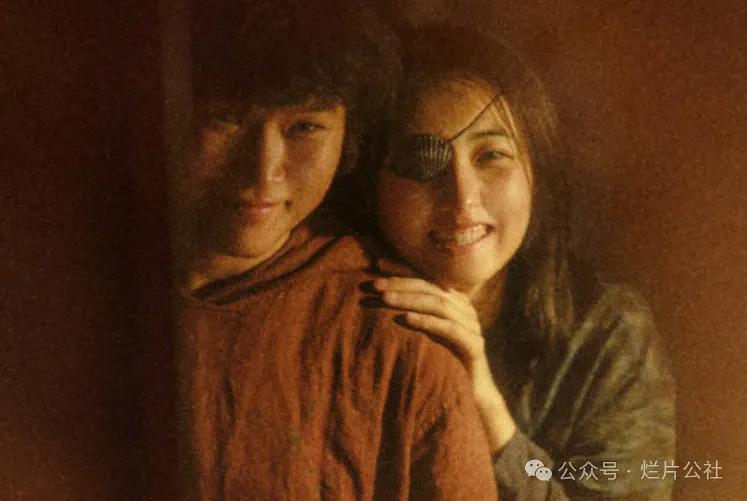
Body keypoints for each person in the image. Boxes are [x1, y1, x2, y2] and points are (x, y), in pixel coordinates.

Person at [173, 4, 498, 500]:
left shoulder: (397, 336)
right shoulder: (71, 285)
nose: (263, 170)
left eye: (304, 127)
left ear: (350, 136)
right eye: (225, 119)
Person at [363, 25, 676, 500]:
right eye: (423, 161)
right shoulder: (337, 309)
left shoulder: (606, 332)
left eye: (491, 155)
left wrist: (490, 415)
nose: (462, 200)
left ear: (535, 169)